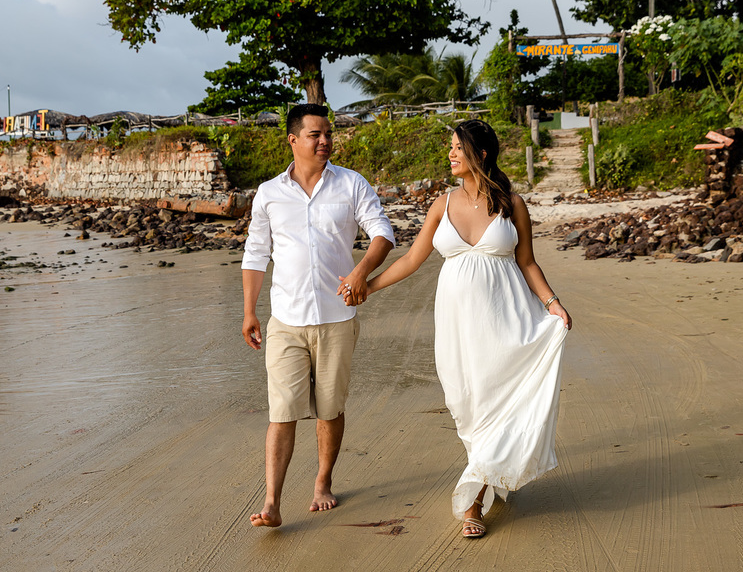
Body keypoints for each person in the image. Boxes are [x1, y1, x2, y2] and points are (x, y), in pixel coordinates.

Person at [348, 119, 572, 539]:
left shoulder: (512, 203)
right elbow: (412, 259)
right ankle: (491, 470)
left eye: (457, 146)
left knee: (496, 402)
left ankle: (473, 502)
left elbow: (527, 262)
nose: (450, 153)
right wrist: (368, 286)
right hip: (456, 328)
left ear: (480, 154)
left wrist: (553, 304)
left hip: (507, 322)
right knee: (468, 406)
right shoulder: (442, 203)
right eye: (449, 146)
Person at [242, 103, 395, 528]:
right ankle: (272, 502)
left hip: (336, 318)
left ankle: (323, 481)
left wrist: (362, 270)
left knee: (329, 409)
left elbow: (383, 232)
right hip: (285, 320)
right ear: (293, 140)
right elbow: (256, 254)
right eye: (315, 134)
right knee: (282, 411)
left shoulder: (351, 184)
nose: (325, 141)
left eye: (328, 133)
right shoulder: (269, 193)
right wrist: (249, 311)